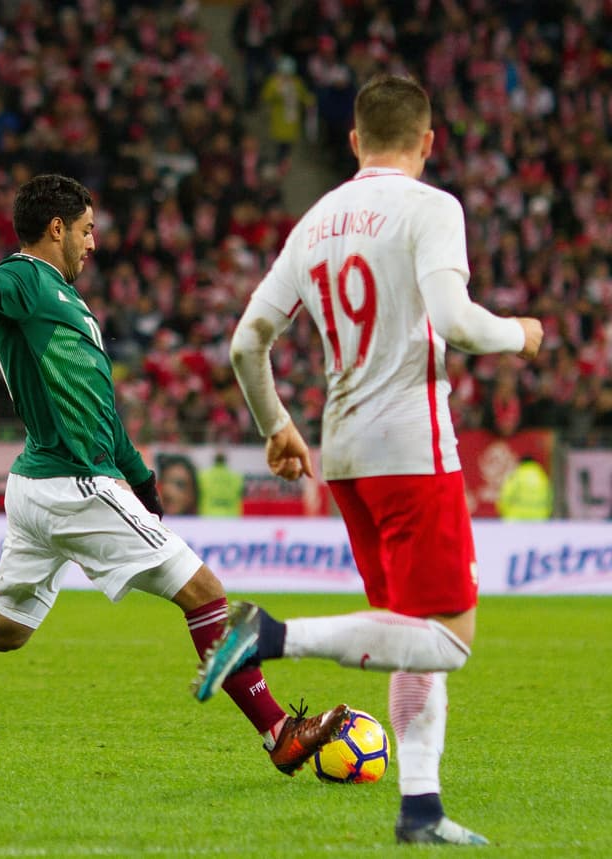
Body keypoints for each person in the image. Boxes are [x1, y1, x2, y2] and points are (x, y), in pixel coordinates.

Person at [0, 173, 347, 776]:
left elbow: (98, 404)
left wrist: (138, 475)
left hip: (38, 484)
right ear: (56, 228)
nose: (93, 243)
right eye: (87, 230)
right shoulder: (28, 279)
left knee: (5, 628)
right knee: (206, 593)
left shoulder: (65, 298)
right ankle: (280, 733)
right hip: (73, 484)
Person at [196, 75, 544, 845]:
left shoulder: (316, 220)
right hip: (413, 450)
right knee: (446, 639)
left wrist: (275, 424)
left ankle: (421, 807)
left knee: (404, 630)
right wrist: (522, 330)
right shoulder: (432, 207)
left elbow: (246, 340)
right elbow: (458, 321)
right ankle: (269, 635)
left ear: (353, 142)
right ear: (428, 142)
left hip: (344, 453)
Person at [496, 455, 553, 521]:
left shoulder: (516, 476)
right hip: (538, 519)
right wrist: (545, 514)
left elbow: (505, 497)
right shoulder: (542, 477)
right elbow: (549, 498)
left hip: (516, 519)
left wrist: (505, 514)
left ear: (521, 463)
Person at [197, 451, 244, 517]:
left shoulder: (203, 476)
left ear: (214, 461)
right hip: (231, 517)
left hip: (208, 517)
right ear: (225, 461)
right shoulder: (236, 477)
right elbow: (241, 495)